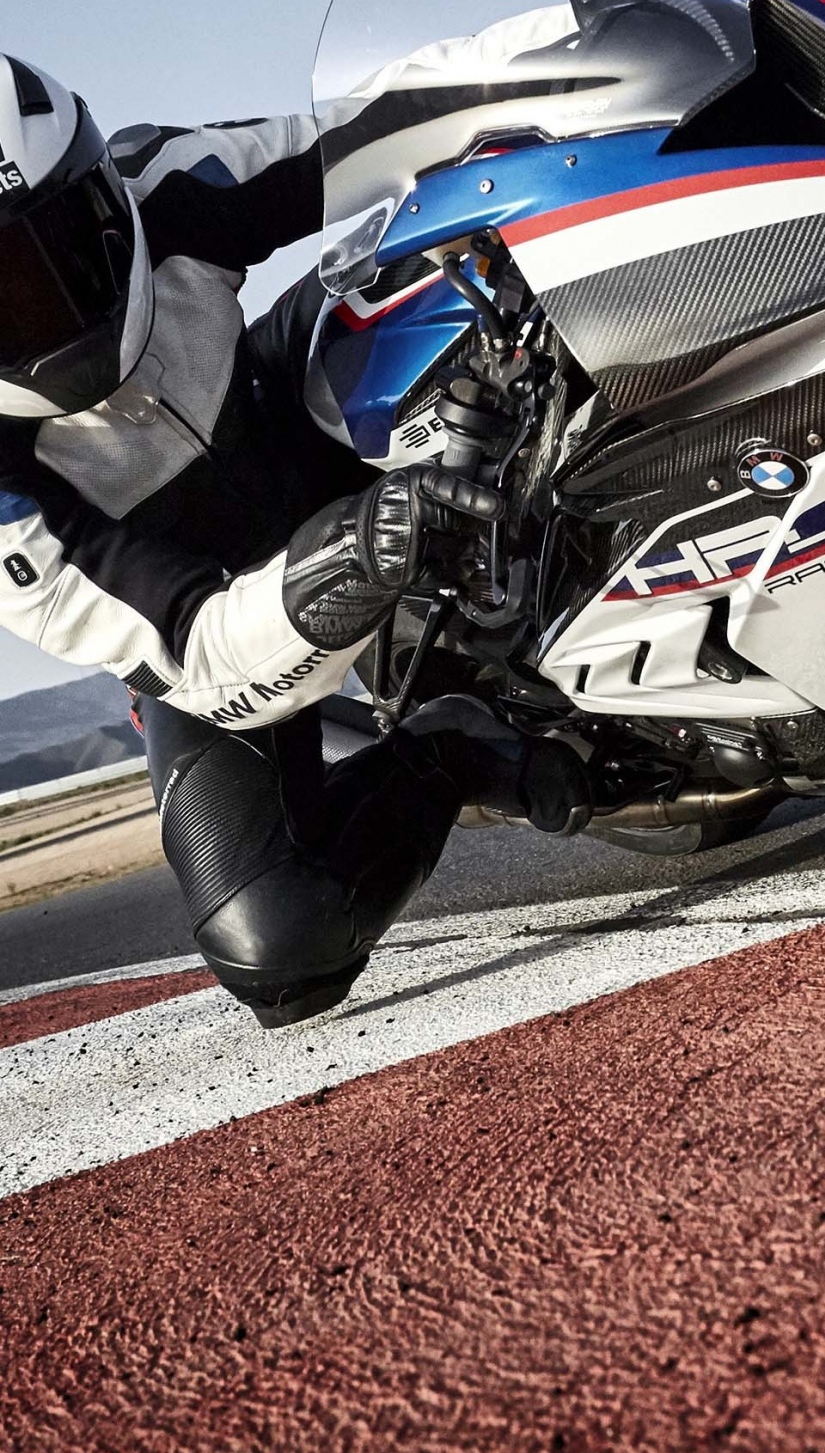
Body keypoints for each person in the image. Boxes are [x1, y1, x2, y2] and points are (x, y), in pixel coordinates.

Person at [0, 56, 589, 1025]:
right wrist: (363, 550)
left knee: (464, 244)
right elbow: (197, 647)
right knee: (273, 945)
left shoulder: (161, 182)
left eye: (64, 244)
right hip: (208, 629)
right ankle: (450, 748)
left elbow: (367, 135)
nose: (51, 303)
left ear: (99, 187)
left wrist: (556, 69)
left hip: (287, 417)